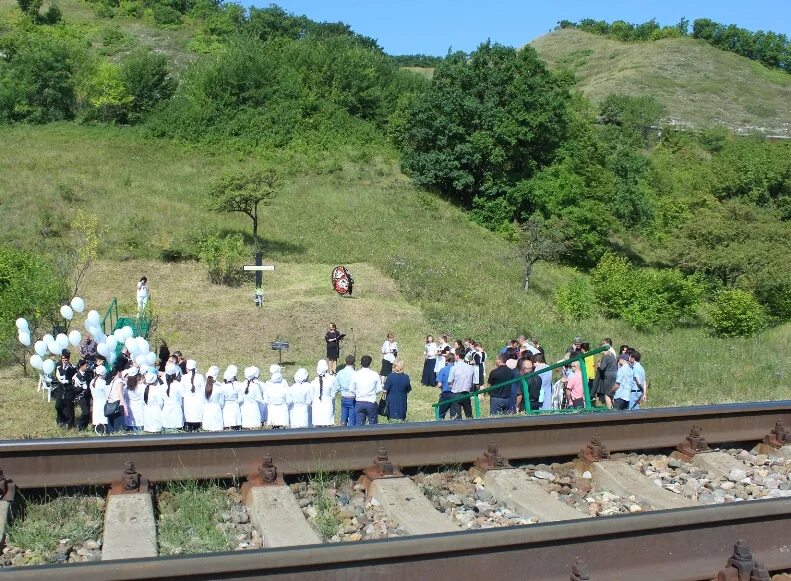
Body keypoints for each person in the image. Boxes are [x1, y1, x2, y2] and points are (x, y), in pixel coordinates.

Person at [351, 355, 383, 425]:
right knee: (373, 424)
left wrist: (358, 393)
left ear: (361, 363)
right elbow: (379, 389)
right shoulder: (374, 374)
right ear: (370, 363)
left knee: (359, 425)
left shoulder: (356, 374)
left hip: (359, 402)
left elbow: (351, 389)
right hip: (371, 402)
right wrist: (373, 393)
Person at [448, 348, 475, 419]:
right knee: (469, 415)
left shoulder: (454, 368)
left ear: (457, 356)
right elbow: (472, 383)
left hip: (456, 393)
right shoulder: (471, 368)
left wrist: (452, 386)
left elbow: (450, 382)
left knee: (456, 417)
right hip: (466, 393)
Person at [53, 349, 76, 428]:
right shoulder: (58, 365)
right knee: (58, 406)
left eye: (66, 360)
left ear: (68, 359)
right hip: (60, 389)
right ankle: (60, 419)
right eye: (63, 359)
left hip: (68, 389)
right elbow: (55, 375)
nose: (64, 361)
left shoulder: (72, 368)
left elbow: (73, 380)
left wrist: (67, 381)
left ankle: (70, 423)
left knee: (69, 407)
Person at [311, 360, 337, 427]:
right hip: (328, 408)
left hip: (316, 408)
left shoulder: (313, 382)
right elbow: (333, 396)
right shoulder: (330, 381)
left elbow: (311, 396)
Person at [594, 339, 618, 408]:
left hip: (608, 375)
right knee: (612, 392)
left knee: (607, 394)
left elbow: (602, 368)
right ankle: (614, 407)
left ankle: (609, 410)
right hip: (614, 374)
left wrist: (599, 365)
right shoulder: (612, 354)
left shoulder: (606, 356)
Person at [182, 360, 205, 432]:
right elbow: (203, 391)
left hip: (187, 403)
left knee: (188, 425)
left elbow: (182, 392)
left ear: (187, 368)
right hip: (198, 403)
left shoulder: (184, 377)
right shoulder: (200, 377)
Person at [161, 363, 184, 432]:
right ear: (175, 374)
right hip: (177, 413)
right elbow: (182, 400)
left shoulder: (162, 386)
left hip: (165, 413)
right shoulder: (179, 385)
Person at [335, 355, 356, 427]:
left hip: (344, 397)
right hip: (352, 397)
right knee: (352, 419)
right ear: (353, 363)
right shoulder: (355, 373)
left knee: (343, 417)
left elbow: (337, 386)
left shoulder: (340, 372)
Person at [201, 366, 225, 431]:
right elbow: (222, 403)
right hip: (216, 410)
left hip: (206, 410)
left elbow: (202, 401)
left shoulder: (203, 386)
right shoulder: (219, 387)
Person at [72, 359, 92, 431]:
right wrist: (81, 388)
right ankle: (79, 425)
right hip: (81, 397)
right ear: (81, 366)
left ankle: (84, 427)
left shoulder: (88, 375)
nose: (87, 367)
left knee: (88, 413)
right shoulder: (76, 377)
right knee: (84, 412)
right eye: (85, 365)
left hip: (87, 397)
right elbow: (74, 388)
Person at [89, 365, 109, 435]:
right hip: (102, 402)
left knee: (96, 417)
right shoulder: (102, 382)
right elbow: (107, 393)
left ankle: (96, 431)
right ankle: (103, 431)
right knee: (102, 418)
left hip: (95, 402)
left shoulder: (92, 381)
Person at [435, 353, 455, 419]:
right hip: (456, 394)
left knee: (440, 414)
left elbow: (439, 384)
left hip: (446, 393)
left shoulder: (443, 370)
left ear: (447, 359)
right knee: (454, 415)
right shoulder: (457, 369)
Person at [221, 365, 241, 430]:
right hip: (235, 407)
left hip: (226, 408)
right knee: (236, 424)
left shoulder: (222, 386)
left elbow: (221, 401)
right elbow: (241, 399)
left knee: (227, 425)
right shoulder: (237, 385)